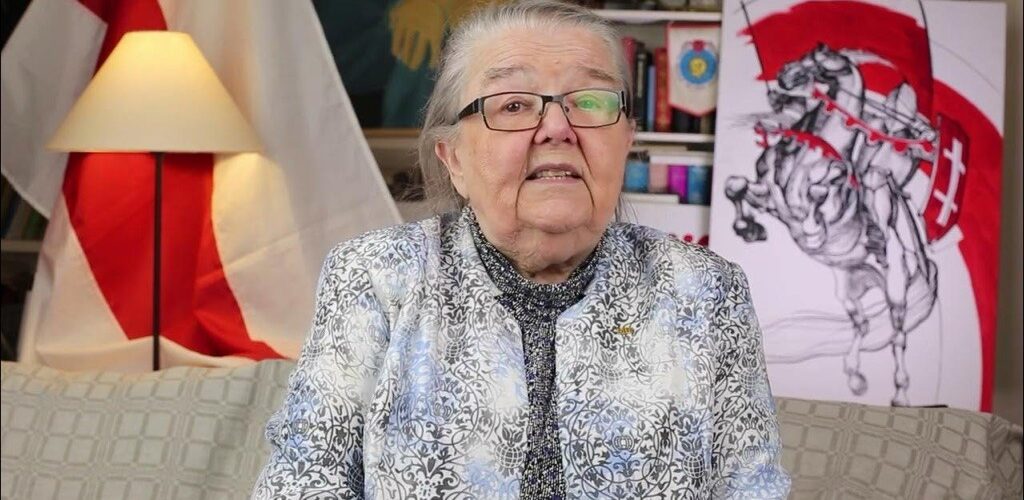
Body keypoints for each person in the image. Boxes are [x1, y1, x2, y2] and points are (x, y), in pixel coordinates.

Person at [252, 1, 790, 498]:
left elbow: (752, 488)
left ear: (627, 140)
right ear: (454, 159)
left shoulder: (704, 289)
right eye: (512, 104)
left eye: (589, 101)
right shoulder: (377, 276)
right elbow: (302, 482)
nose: (557, 127)